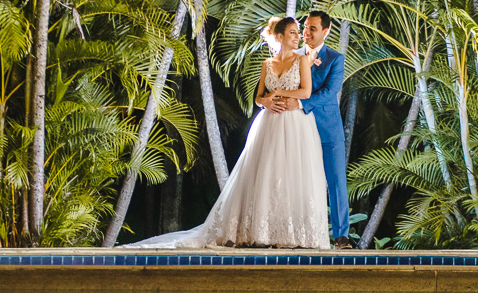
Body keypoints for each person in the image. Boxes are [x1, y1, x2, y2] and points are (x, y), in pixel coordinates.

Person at [126, 16, 331, 249]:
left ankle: (294, 232)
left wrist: (279, 93)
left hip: (295, 123)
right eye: (293, 32)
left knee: (293, 172)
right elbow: (258, 97)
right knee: (267, 174)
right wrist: (266, 101)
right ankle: (262, 231)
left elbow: (306, 92)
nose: (298, 37)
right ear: (280, 36)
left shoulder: (302, 60)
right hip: (270, 122)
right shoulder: (268, 64)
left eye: (297, 32)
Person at [260, 10, 350, 248]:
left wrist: (300, 103)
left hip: (327, 130)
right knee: (296, 180)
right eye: (306, 27)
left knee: (336, 182)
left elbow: (330, 92)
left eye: (313, 28)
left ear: (325, 32)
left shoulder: (336, 59)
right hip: (297, 130)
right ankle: (295, 232)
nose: (307, 33)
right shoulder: (294, 54)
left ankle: (341, 236)